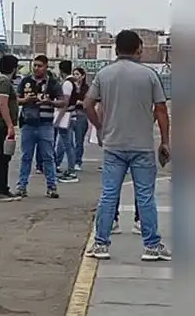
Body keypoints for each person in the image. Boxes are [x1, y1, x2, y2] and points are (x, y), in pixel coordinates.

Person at [84, 30, 171, 261]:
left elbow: (88, 104)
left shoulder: (104, 75)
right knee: (145, 196)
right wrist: (165, 141)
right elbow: (161, 110)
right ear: (138, 49)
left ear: (115, 49)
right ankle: (151, 245)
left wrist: (99, 126)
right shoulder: (149, 75)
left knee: (109, 194)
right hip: (142, 146)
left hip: (113, 145)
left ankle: (101, 244)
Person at [15, 55, 65, 198]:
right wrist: (26, 100)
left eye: (39, 66)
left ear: (46, 66)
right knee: (26, 157)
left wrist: (50, 102)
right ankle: (22, 186)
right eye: (35, 65)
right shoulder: (25, 81)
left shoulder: (53, 83)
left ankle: (52, 187)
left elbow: (62, 102)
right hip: (28, 124)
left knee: (48, 157)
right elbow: (16, 99)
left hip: (45, 124)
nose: (36, 68)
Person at [0, 54, 21, 201]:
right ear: (13, 68)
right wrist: (10, 126)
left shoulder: (3, 81)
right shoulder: (4, 82)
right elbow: (3, 104)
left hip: (1, 124)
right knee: (1, 157)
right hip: (0, 124)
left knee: (4, 157)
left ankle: (3, 188)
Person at [54, 60, 80, 183]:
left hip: (67, 116)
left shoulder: (67, 84)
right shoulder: (74, 83)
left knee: (67, 144)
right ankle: (69, 168)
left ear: (61, 70)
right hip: (72, 115)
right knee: (69, 144)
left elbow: (65, 102)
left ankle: (71, 170)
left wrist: (58, 118)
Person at [70, 67, 89, 172]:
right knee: (66, 140)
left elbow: (89, 102)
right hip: (70, 113)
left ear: (83, 76)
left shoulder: (86, 88)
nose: (75, 76)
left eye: (77, 74)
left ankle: (77, 161)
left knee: (79, 140)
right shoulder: (70, 86)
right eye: (74, 74)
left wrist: (80, 102)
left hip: (81, 114)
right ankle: (62, 161)